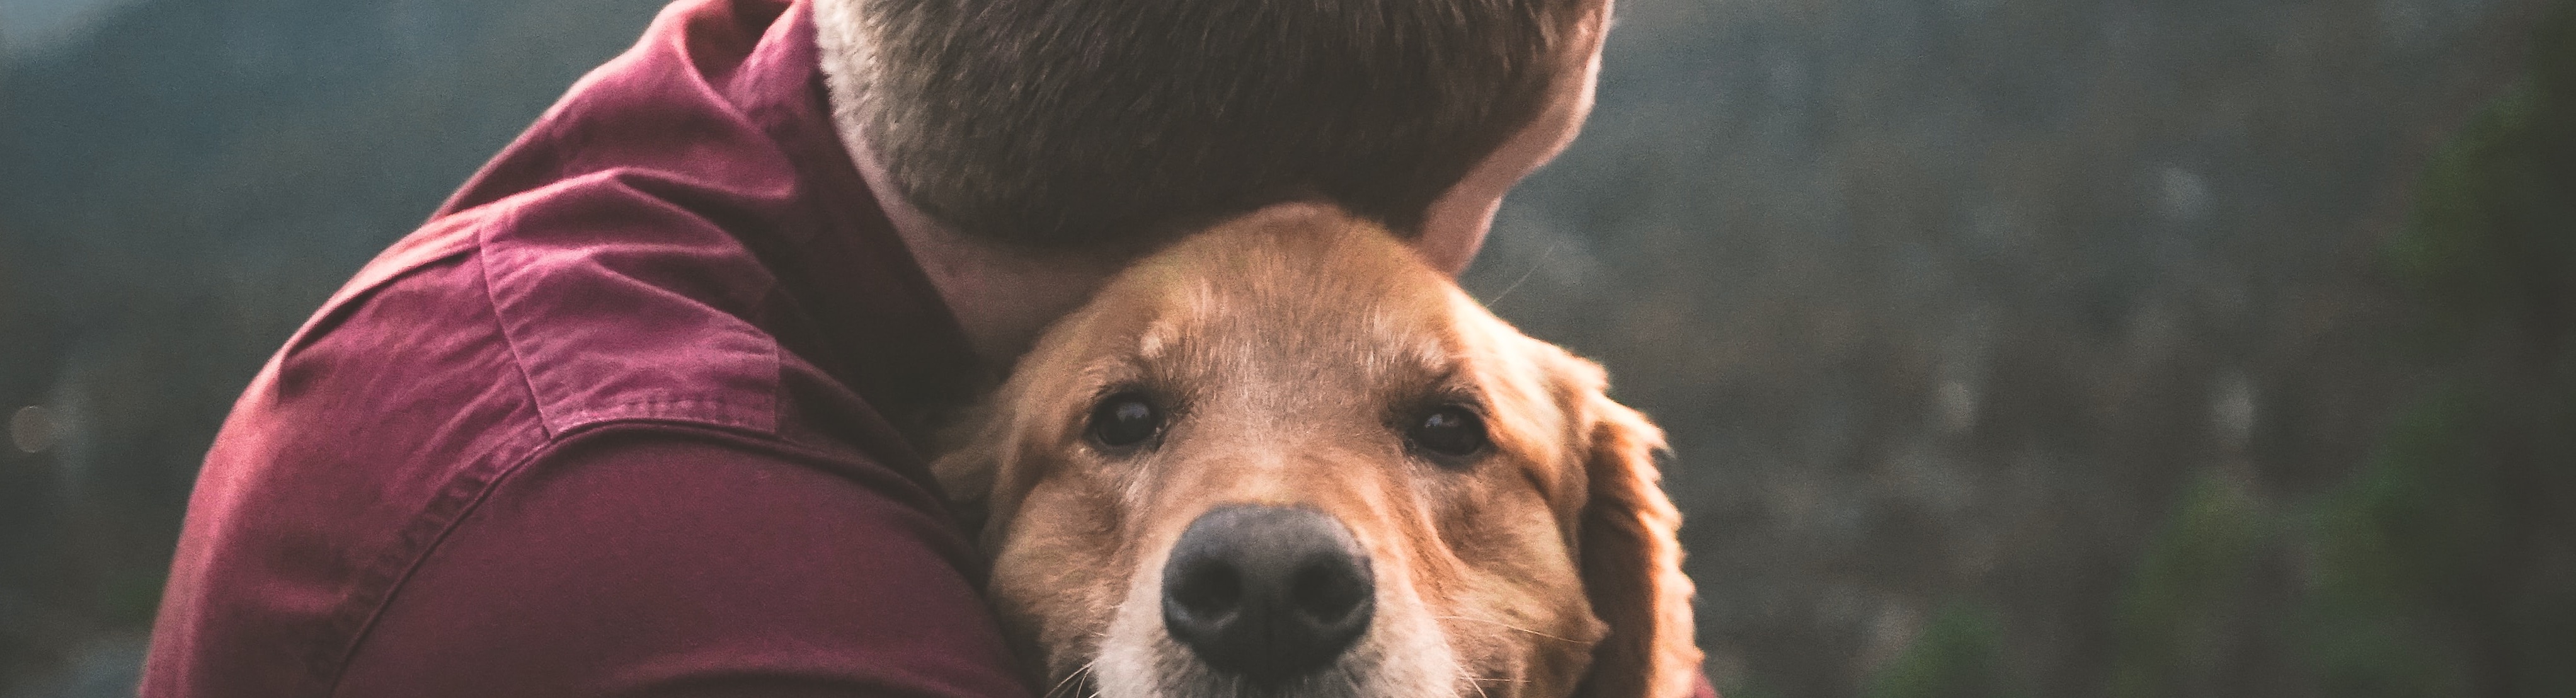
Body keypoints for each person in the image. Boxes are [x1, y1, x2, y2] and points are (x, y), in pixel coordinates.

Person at [139, 0, 1705, 695]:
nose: (1279, 530)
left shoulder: (801, 82)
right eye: (1495, 194)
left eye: (1437, 427)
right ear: (1282, 218)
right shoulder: (668, 562)